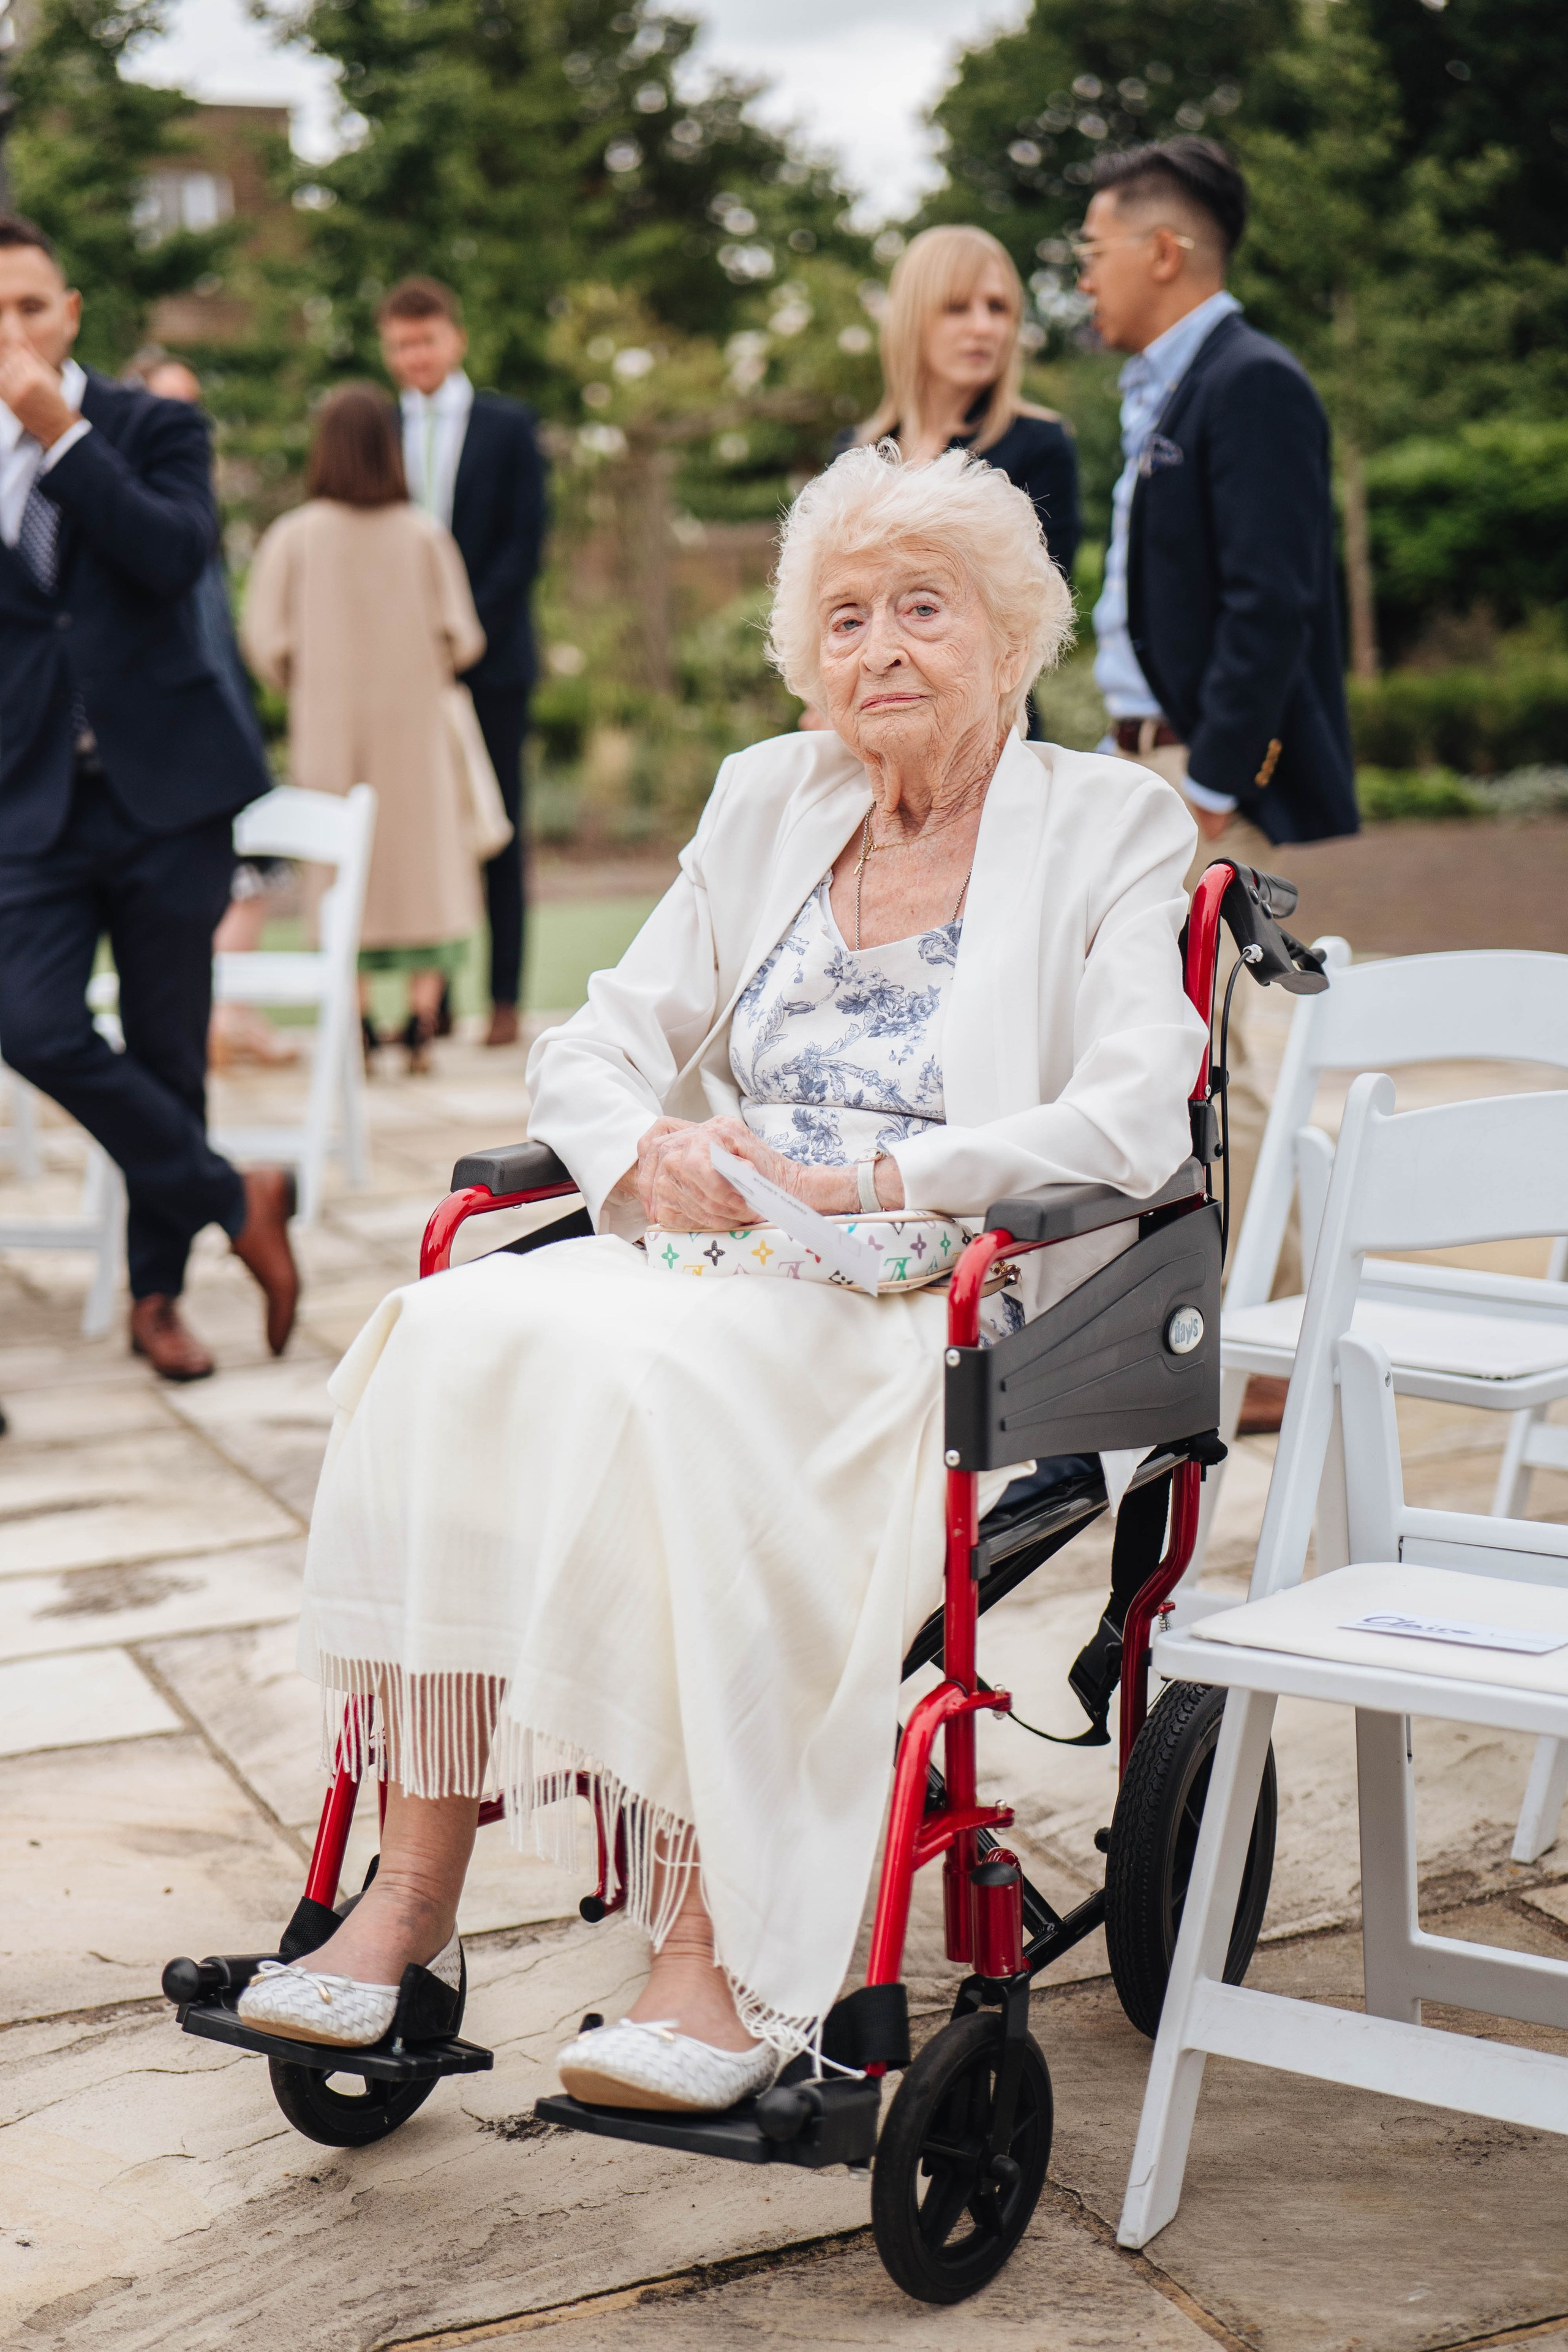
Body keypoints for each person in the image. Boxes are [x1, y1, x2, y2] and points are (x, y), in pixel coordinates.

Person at [233, 443, 1208, 2113]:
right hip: (721, 1248)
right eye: (845, 617)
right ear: (801, 652)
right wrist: (638, 1153)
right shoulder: (773, 793)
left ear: (1015, 631)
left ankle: (716, 1947)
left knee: (668, 1402)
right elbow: (596, 1041)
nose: (881, 648)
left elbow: (1135, 1102)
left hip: (943, 1288)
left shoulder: (1106, 821)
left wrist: (889, 1177)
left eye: (924, 608)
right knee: (445, 1336)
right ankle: (407, 1891)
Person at [1077, 137, 1358, 1430]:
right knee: (1187, 1048)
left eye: (1091, 248)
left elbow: (1272, 603)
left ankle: (1264, 1346)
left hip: (1206, 777)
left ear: (1161, 249)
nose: (1080, 275)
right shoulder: (1167, 389)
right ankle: (1234, 1326)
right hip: (1149, 764)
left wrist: (1204, 782)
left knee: (1238, 1057)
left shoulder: (1249, 384)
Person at [0, 215, 298, 1383]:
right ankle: (238, 1194)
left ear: (70, 313)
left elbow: (175, 555)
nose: (11, 333)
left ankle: (156, 1299)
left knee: (170, 1052)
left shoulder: (155, 425)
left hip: (167, 789)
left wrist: (61, 435)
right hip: (31, 799)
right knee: (30, 1021)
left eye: (29, 306)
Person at [241, 383, 488, 1075]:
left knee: (338, 872)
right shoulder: (422, 533)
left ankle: (352, 1022)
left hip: (327, 730)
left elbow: (264, 640)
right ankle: (419, 1021)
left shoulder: (294, 536)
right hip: (415, 731)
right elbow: (463, 637)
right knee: (423, 867)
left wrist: (310, 681)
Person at [377, 279, 546, 1049]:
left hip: (493, 659)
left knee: (497, 824)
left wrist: (459, 629)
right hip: (402, 668)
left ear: (455, 339)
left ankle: (503, 997)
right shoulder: (377, 428)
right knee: (419, 832)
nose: (416, 356)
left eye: (427, 340)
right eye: (401, 345)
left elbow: (524, 541)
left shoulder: (508, 426)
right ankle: (430, 1003)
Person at [129, 352, 298, 1072]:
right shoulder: (137, 506)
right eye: (170, 401)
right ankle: (219, 1018)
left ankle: (229, 1015)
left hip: (219, 708)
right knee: (234, 873)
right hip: (175, 723)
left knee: (251, 871)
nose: (186, 418)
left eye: (193, 403)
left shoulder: (189, 494)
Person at [859, 226, 1080, 595]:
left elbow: (1046, 603)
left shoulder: (1040, 444)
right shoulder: (857, 454)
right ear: (913, 318)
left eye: (998, 307)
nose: (983, 327)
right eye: (957, 307)